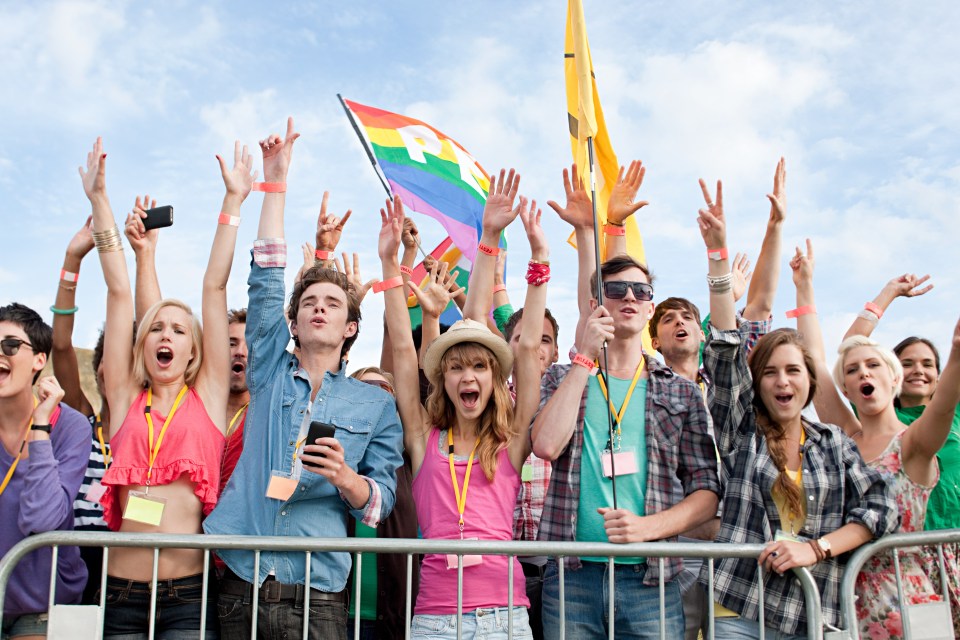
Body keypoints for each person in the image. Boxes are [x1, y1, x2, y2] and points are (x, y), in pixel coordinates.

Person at [204, 118, 402, 640]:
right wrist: (275, 181)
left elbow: (381, 503)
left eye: (332, 303)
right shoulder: (268, 371)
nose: (319, 308)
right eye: (309, 302)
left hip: (319, 597)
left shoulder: (375, 406)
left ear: (351, 326)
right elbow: (267, 277)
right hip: (241, 587)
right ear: (292, 324)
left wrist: (346, 480)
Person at [695, 179, 898, 639]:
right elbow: (725, 350)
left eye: (793, 371)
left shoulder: (832, 443)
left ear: (810, 381)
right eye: (770, 372)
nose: (782, 381)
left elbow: (881, 506)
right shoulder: (741, 429)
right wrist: (718, 257)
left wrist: (818, 549)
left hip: (810, 612)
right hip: (738, 609)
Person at [533, 163, 719, 639]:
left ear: (651, 306)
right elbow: (547, 446)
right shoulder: (564, 375)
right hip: (572, 573)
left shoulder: (679, 390)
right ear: (600, 303)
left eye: (641, 290)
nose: (629, 297)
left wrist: (651, 528)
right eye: (616, 291)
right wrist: (580, 360)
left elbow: (706, 490)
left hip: (650, 578)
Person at [81, 135, 252, 637]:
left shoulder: (209, 397)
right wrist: (100, 202)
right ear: (142, 342)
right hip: (120, 595)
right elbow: (118, 290)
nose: (166, 335)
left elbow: (214, 286)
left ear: (194, 350)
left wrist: (233, 202)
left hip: (187, 598)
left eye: (179, 330)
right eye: (156, 327)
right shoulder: (124, 398)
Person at [379, 166, 546, 639]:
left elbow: (529, 347)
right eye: (456, 367)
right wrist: (390, 265)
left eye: (479, 367)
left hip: (505, 619)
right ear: (444, 379)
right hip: (432, 619)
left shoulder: (510, 440)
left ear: (494, 380)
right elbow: (402, 345)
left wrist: (528, 255)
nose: (468, 376)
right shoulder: (422, 437)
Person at [790, 248, 960, 640]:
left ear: (894, 378)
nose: (863, 372)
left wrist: (957, 350)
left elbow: (945, 403)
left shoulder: (913, 444)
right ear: (847, 387)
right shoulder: (845, 439)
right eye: (852, 370)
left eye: (873, 366)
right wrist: (804, 287)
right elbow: (814, 357)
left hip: (908, 600)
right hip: (845, 599)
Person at [0, 303, 89, 640]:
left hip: (42, 607)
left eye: (10, 345)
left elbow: (42, 519)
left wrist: (40, 427)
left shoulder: (70, 426)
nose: (1, 352)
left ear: (39, 359)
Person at [49, 217, 114, 605]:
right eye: (109, 359)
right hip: (75, 557)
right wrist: (73, 259)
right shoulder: (80, 417)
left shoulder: (156, 427)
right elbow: (60, 346)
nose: (117, 369)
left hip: (129, 563)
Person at [345, 367, 420, 640]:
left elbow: (416, 377)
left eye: (384, 392)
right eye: (364, 390)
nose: (375, 398)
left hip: (397, 618)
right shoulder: (335, 462)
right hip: (337, 617)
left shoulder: (410, 461)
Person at [219, 308, 250, 493]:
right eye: (231, 343)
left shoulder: (268, 414)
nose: (240, 352)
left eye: (250, 345)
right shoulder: (193, 405)